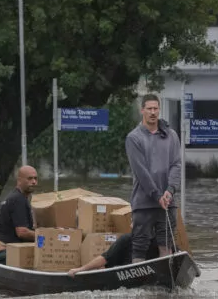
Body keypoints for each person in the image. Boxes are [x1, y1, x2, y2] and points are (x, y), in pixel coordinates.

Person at [124, 94, 181, 263]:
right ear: (142, 110)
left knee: (166, 244)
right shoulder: (133, 138)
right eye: (149, 108)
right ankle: (138, 284)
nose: (153, 112)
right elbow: (141, 172)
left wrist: (169, 191)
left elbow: (176, 165)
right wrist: (157, 195)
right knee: (139, 247)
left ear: (159, 110)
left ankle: (166, 281)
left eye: (156, 108)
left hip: (168, 202)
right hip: (143, 203)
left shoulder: (171, 135)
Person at [0, 165, 38, 264]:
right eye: (30, 178)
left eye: (35, 178)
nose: (34, 182)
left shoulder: (18, 197)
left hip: (3, 251)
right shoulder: (18, 199)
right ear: (19, 180)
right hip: (1, 253)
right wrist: (44, 238)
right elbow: (22, 232)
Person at [66, 233, 159, 276]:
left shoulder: (159, 242)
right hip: (119, 272)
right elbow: (105, 258)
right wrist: (80, 269)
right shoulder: (126, 239)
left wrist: (81, 269)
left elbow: (104, 258)